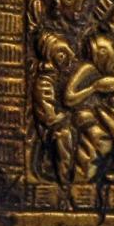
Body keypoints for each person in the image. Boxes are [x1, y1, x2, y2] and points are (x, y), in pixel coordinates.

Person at [64, 36, 114, 183]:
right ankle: (83, 179)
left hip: (102, 113)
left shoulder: (110, 70)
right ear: (102, 53)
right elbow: (68, 99)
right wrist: (94, 88)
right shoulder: (88, 69)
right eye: (113, 52)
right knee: (99, 142)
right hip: (87, 117)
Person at [31, 33, 77, 184]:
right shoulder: (44, 83)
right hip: (52, 130)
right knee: (64, 135)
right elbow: (49, 117)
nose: (70, 58)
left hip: (61, 121)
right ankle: (65, 179)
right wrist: (67, 116)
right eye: (62, 55)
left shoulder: (58, 77)